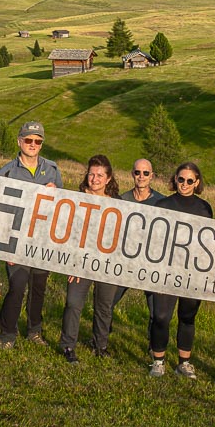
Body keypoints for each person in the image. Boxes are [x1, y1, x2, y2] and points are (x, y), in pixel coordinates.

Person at [0, 122, 63, 348]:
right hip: (16, 239)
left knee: (38, 288)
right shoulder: (6, 171)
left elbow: (62, 206)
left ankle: (34, 331)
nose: (33, 145)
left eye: (38, 141)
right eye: (28, 140)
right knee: (17, 286)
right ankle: (7, 334)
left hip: (42, 239)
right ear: (19, 141)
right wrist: (5, 245)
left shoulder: (52, 169)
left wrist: (56, 194)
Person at [147, 161, 213, 379]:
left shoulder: (205, 208)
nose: (184, 184)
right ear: (175, 179)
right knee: (161, 316)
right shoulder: (162, 204)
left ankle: (184, 363)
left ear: (197, 183)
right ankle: (158, 361)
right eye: (180, 179)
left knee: (188, 316)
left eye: (189, 180)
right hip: (166, 269)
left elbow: (210, 241)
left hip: (192, 272)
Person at [58, 154, 122, 363]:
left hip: (106, 263)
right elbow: (67, 232)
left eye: (100, 175)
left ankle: (100, 345)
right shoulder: (76, 199)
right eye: (91, 174)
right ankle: (68, 345)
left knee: (104, 305)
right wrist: (72, 263)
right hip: (80, 262)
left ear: (109, 178)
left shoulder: (118, 204)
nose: (95, 179)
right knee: (73, 302)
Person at [110, 158, 164, 330]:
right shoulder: (122, 200)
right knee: (107, 301)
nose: (141, 176)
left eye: (145, 173)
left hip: (151, 263)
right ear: (132, 174)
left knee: (157, 312)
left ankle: (153, 347)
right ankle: (101, 339)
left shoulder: (163, 203)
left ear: (152, 176)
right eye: (137, 172)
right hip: (125, 262)